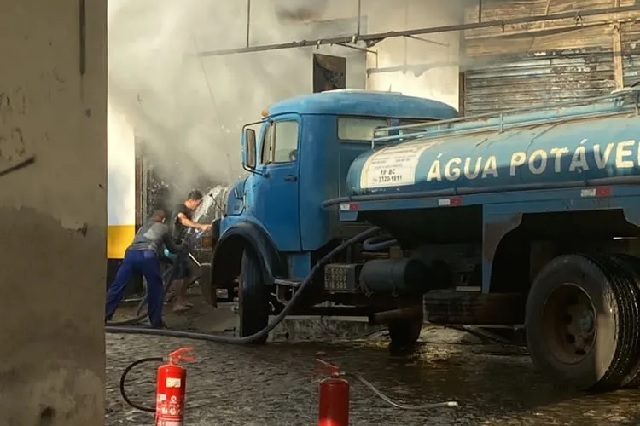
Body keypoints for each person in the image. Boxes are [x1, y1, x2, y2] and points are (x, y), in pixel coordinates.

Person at [104, 209, 182, 328]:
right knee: (155, 288)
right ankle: (156, 322)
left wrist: (167, 260)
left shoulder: (142, 228)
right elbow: (172, 249)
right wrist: (183, 245)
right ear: (164, 219)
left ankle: (104, 316)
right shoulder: (164, 228)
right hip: (148, 255)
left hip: (130, 254)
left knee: (118, 285)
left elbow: (155, 251)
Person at [170, 189, 211, 312]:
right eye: (197, 204)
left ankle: (182, 298)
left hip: (184, 247)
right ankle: (177, 302)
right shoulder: (180, 209)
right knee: (179, 274)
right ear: (191, 200)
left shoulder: (189, 212)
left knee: (188, 273)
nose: (198, 207)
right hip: (176, 245)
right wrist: (201, 226)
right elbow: (184, 221)